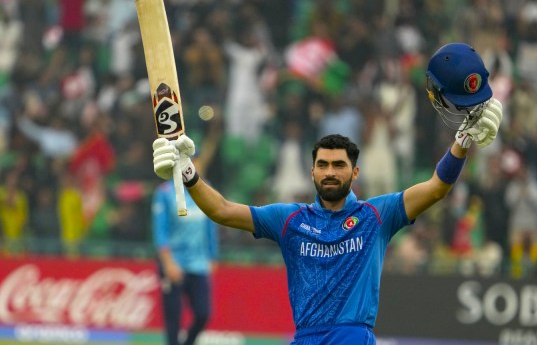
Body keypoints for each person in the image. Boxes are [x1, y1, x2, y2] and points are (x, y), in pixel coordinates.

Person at [151, 43, 502, 344]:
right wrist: (188, 172)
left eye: (338, 165)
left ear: (355, 172)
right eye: (323, 165)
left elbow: (437, 187)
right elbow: (224, 211)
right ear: (313, 171)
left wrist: (462, 142)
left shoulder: (376, 216)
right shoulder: (290, 220)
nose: (330, 172)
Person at [151, 153, 219, 345]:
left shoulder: (206, 189)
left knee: (203, 313)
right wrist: (168, 263)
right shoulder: (165, 193)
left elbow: (210, 225)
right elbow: (160, 232)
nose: (196, 164)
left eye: (196, 160)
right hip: (174, 262)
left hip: (198, 263)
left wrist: (213, 256)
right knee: (173, 321)